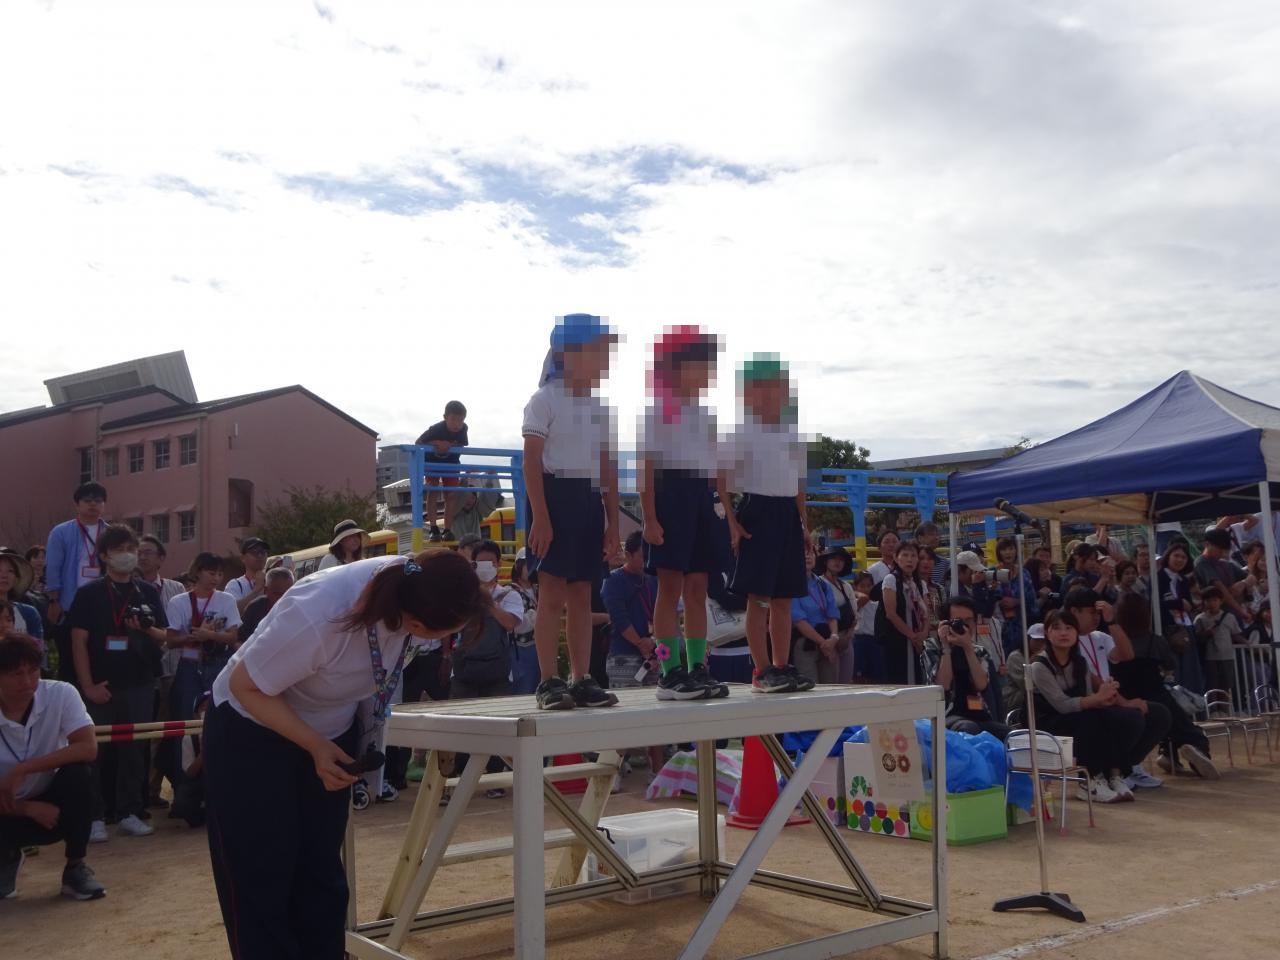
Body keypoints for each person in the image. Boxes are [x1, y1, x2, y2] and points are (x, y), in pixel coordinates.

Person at [204, 550, 485, 960]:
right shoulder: (322, 613)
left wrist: (343, 742)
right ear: (415, 623)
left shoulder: (418, 585)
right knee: (261, 873)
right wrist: (314, 746)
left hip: (330, 728)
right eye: (443, 634)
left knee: (320, 872)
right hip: (252, 728)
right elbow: (246, 686)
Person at [522, 314, 621, 710]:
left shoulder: (600, 407)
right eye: (598, 350)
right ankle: (548, 680)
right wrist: (541, 517)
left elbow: (608, 469)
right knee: (552, 592)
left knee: (583, 593)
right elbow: (531, 462)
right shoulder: (544, 399)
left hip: (588, 497)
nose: (604, 359)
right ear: (568, 353)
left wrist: (613, 524)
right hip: (553, 495)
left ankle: (581, 677)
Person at [639, 325, 730, 700]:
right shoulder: (657, 411)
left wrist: (725, 510)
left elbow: (718, 469)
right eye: (697, 365)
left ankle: (696, 668)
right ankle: (668, 670)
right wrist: (649, 517)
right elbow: (645, 468)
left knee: (697, 589)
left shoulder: (707, 415)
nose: (705, 372)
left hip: (702, 498)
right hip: (670, 495)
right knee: (669, 589)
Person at [66, 524, 169, 841]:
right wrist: (88, 686)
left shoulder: (147, 591)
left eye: (131, 549)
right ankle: (94, 815)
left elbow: (164, 636)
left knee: (134, 751)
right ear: (104, 555)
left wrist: (146, 629)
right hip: (100, 684)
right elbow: (78, 642)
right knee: (94, 752)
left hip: (139, 682)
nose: (127, 555)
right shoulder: (89, 594)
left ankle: (129, 812)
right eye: (119, 549)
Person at [721, 354, 814, 694]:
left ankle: (781, 666)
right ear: (749, 391)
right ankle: (761, 670)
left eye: (778, 386)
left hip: (787, 512)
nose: (773, 393)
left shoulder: (793, 432)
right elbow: (720, 480)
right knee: (759, 597)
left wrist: (804, 524)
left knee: (784, 599)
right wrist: (732, 522)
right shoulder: (741, 431)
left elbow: (799, 482)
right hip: (757, 509)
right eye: (764, 386)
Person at [0, 634, 106, 900]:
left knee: (79, 774)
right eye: (16, 674)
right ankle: (7, 858)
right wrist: (27, 808)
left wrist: (24, 769)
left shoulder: (60, 693)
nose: (27, 682)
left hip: (53, 804)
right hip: (6, 806)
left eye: (33, 671)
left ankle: (75, 867)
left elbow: (88, 747)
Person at [1029, 610, 1148, 804]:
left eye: (1069, 628)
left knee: (1118, 716)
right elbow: (1062, 705)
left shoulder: (1080, 662)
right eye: (1056, 628)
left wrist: (1104, 699)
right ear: (1047, 634)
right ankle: (1090, 780)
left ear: (1076, 633)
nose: (1063, 633)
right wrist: (1096, 699)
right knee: (1091, 719)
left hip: (1077, 715)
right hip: (1047, 720)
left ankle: (1114, 774)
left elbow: (1087, 697)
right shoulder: (1039, 666)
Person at [1110, 593, 1218, 781]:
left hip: (1124, 696)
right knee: (1185, 727)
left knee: (1159, 726)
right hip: (1156, 694)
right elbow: (1170, 664)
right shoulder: (1155, 641)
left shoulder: (1112, 641)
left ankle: (1168, 753)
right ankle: (1196, 751)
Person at [135, 534, 189, 810]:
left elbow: (180, 628)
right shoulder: (131, 588)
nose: (142, 556)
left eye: (148, 552)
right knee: (148, 732)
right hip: (143, 670)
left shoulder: (176, 588)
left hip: (174, 667)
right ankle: (145, 791)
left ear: (161, 558)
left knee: (173, 731)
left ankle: (168, 790)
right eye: (139, 552)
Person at [166, 552, 242, 730]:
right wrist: (193, 637)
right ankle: (185, 748)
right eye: (211, 573)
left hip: (218, 661)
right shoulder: (179, 602)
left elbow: (233, 636)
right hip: (189, 663)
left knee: (218, 712)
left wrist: (210, 635)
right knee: (185, 713)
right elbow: (170, 641)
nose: (216, 578)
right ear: (198, 572)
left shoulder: (226, 599)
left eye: (220, 574)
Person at [44, 482, 110, 682]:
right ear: (77, 504)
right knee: (69, 657)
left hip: (103, 604)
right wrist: (54, 600)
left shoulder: (111, 533)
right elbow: (53, 567)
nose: (93, 504)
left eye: (98, 501)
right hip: (69, 604)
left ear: (104, 505)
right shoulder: (61, 532)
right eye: (87, 500)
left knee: (100, 656)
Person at [920, 597, 1009, 739]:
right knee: (968, 728)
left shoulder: (979, 651)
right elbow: (943, 686)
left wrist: (968, 647)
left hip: (979, 714)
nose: (964, 626)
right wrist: (946, 647)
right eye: (958, 621)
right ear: (946, 623)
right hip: (947, 714)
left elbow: (981, 684)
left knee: (1009, 734)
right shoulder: (932, 647)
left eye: (968, 621)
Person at [601, 532, 664, 691]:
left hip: (653, 656)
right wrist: (641, 644)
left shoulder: (654, 579)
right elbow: (619, 618)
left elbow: (663, 614)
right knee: (626, 701)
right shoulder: (613, 580)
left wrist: (653, 641)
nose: (647, 561)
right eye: (643, 557)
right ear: (628, 555)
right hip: (623, 657)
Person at [875, 541, 928, 685]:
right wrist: (912, 636)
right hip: (897, 638)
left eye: (913, 556)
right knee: (899, 678)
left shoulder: (920, 584)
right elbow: (891, 613)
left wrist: (923, 634)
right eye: (905, 555)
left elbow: (926, 613)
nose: (909, 560)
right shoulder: (891, 580)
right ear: (896, 558)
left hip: (918, 639)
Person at [417, 400, 470, 543]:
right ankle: (433, 528)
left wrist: (450, 445)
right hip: (432, 462)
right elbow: (418, 442)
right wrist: (436, 443)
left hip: (451, 463)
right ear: (445, 417)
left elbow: (462, 444)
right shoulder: (436, 429)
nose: (457, 424)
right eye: (453, 419)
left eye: (461, 420)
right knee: (433, 490)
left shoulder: (463, 429)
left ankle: (447, 529)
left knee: (451, 495)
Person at [791, 541, 839, 685]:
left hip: (828, 641)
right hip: (806, 643)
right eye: (803, 553)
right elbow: (799, 621)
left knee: (831, 686)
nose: (808, 556)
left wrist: (833, 638)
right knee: (810, 687)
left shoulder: (823, 584)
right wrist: (824, 643)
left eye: (811, 553)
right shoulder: (791, 585)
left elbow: (832, 615)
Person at [1158, 540, 1203, 692]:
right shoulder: (1159, 577)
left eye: (1183, 557)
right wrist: (1178, 603)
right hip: (1168, 629)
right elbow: (1157, 602)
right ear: (1168, 556)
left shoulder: (1182, 579)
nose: (1179, 560)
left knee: (1190, 669)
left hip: (1186, 626)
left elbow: (1188, 603)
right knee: (1174, 669)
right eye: (1176, 556)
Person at [1193, 586, 1244, 700]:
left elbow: (1235, 634)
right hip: (1209, 657)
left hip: (1227, 656)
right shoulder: (1200, 619)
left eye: (1215, 600)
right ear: (1204, 602)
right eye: (1208, 600)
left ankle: (1224, 708)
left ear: (1220, 601)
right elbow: (1196, 638)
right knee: (1211, 685)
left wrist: (1247, 642)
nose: (1212, 603)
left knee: (1226, 684)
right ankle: (1212, 707)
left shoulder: (1229, 617)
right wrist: (1206, 633)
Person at [817, 546, 857, 683]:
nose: (837, 562)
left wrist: (848, 636)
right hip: (827, 639)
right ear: (825, 561)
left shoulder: (846, 586)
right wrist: (833, 640)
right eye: (833, 558)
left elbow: (854, 614)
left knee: (846, 681)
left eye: (841, 559)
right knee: (831, 681)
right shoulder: (818, 584)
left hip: (847, 637)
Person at [0, 548, 44, 654]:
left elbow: (38, 655)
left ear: (16, 578)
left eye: (10, 571)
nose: (4, 575)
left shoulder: (28, 613)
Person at [507, 555, 539, 696]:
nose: (531, 568)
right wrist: (535, 616)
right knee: (522, 690)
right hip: (519, 649)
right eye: (527, 564)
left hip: (538, 647)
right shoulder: (511, 591)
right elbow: (516, 625)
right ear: (517, 567)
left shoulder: (540, 589)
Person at [238, 565, 295, 644]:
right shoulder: (255, 608)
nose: (283, 598)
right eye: (278, 594)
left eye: (288, 593)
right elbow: (237, 640)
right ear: (266, 590)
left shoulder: (298, 609)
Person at [1004, 622, 1046, 717]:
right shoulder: (1015, 657)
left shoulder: (1047, 657)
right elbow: (1027, 685)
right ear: (1028, 639)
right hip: (1017, 698)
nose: (1040, 644)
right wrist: (1036, 658)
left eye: (1043, 641)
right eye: (1036, 640)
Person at [224, 537, 270, 615]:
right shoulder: (235, 584)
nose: (260, 555)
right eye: (254, 552)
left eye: (263, 552)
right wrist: (257, 590)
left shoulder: (272, 582)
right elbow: (231, 611)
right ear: (243, 558)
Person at [953, 550, 996, 618]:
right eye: (973, 570)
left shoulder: (978, 584)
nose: (977, 573)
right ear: (959, 570)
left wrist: (991, 591)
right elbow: (977, 612)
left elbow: (987, 614)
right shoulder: (954, 588)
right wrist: (976, 586)